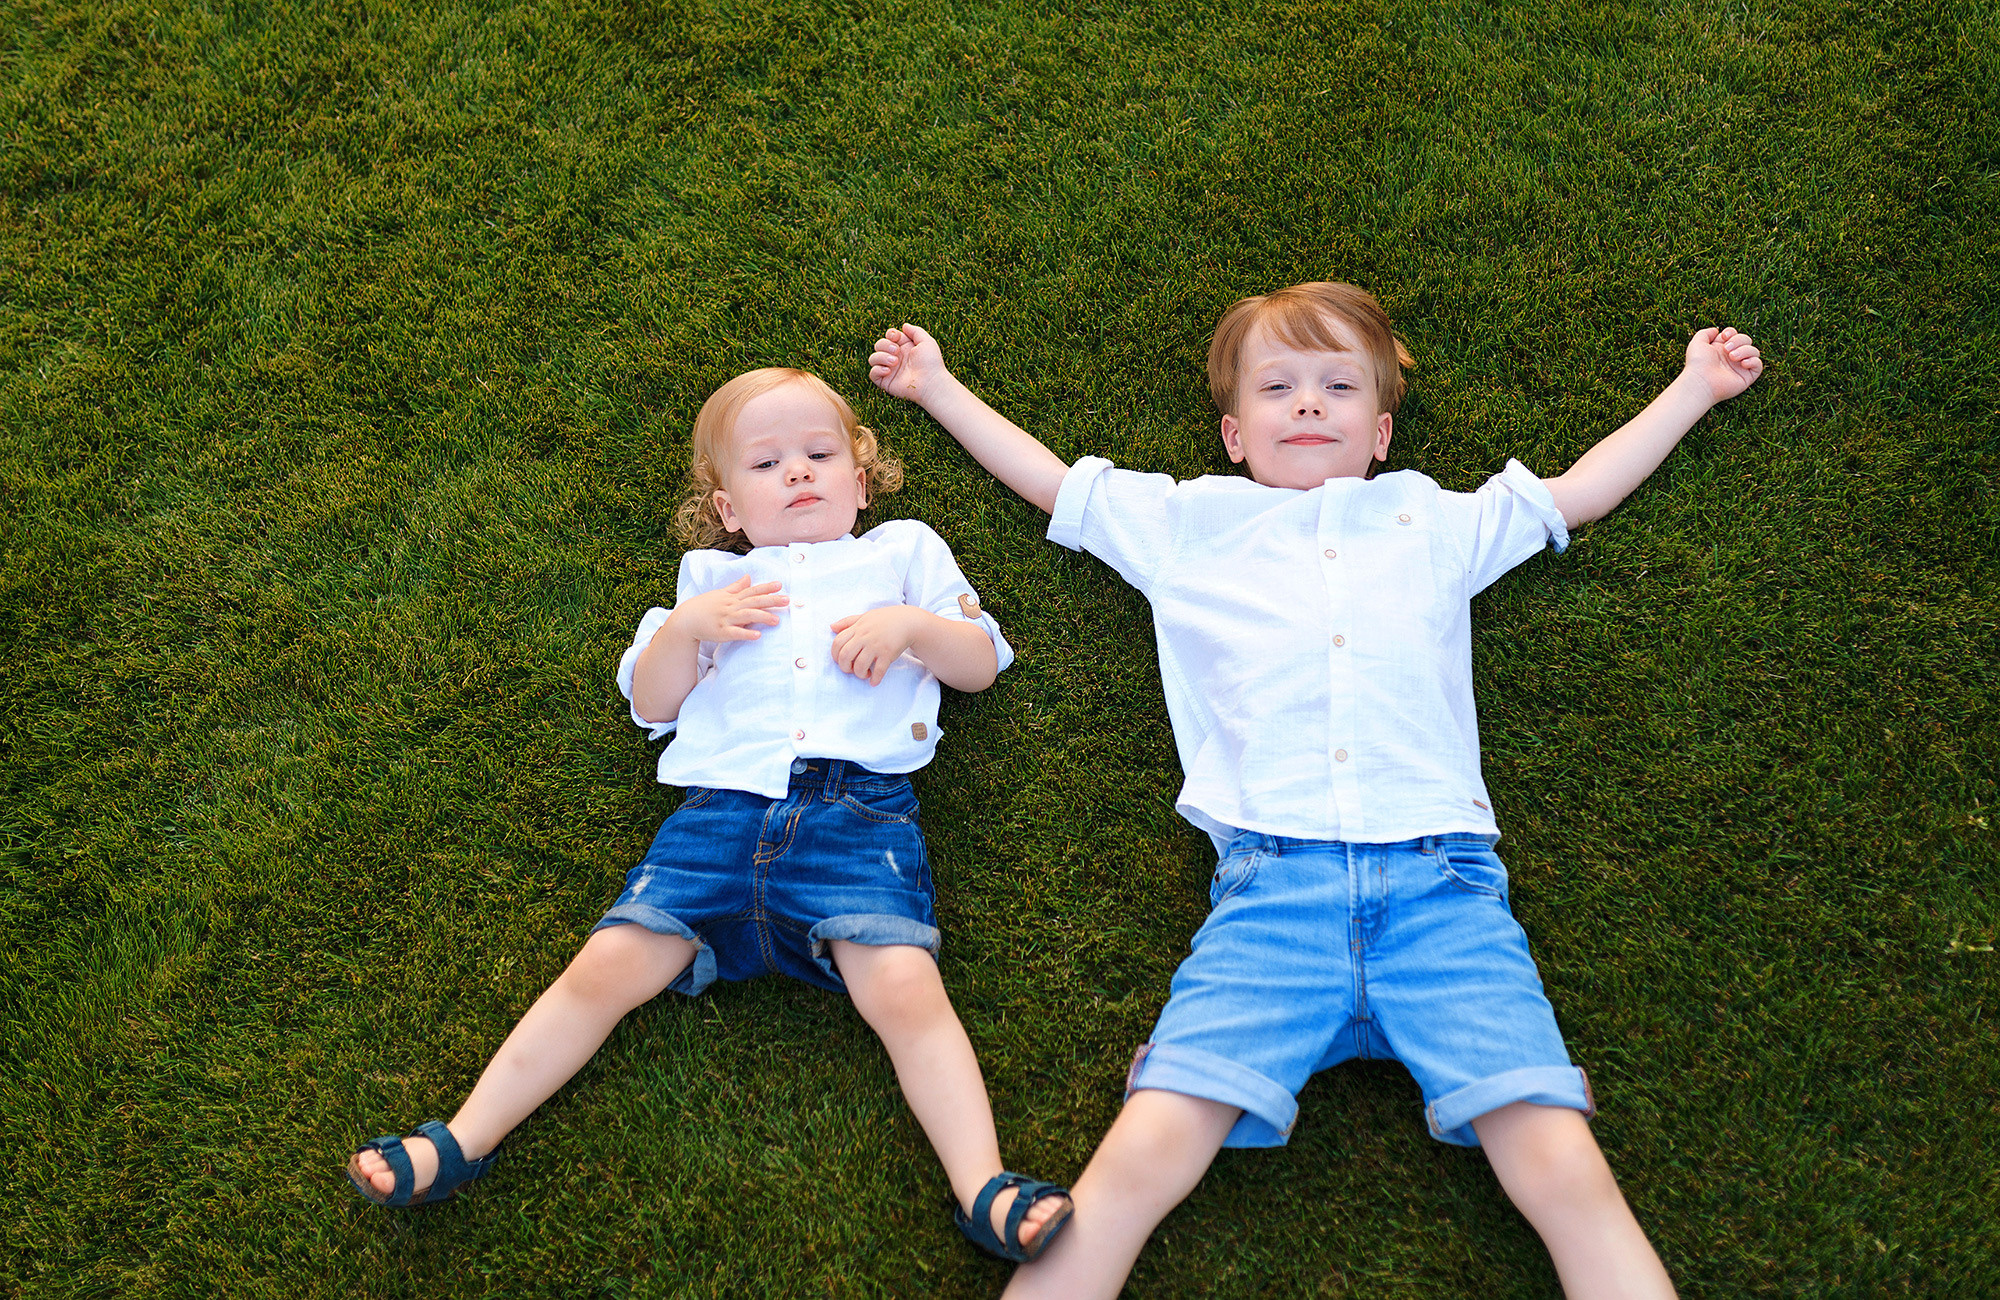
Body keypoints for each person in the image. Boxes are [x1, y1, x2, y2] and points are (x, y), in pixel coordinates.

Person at [867, 282, 1764, 1297]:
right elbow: (1050, 482)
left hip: (1445, 896)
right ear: (1232, 431)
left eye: (1337, 386)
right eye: (1278, 386)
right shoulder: (1185, 521)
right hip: (1268, 899)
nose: (1306, 403)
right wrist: (936, 388)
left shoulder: (1429, 518)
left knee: (1562, 1162)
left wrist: (1692, 389)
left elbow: (1578, 489)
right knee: (1141, 1149)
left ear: (1378, 433)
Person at [345, 366, 1072, 1263]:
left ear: (861, 478)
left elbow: (980, 663)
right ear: (729, 508)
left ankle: (984, 1187)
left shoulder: (903, 555)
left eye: (819, 454)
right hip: (716, 819)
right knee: (603, 969)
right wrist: (688, 630)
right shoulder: (708, 582)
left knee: (908, 994)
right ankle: (460, 1138)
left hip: (859, 818)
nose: (798, 473)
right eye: (767, 464)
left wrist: (912, 629)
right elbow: (653, 704)